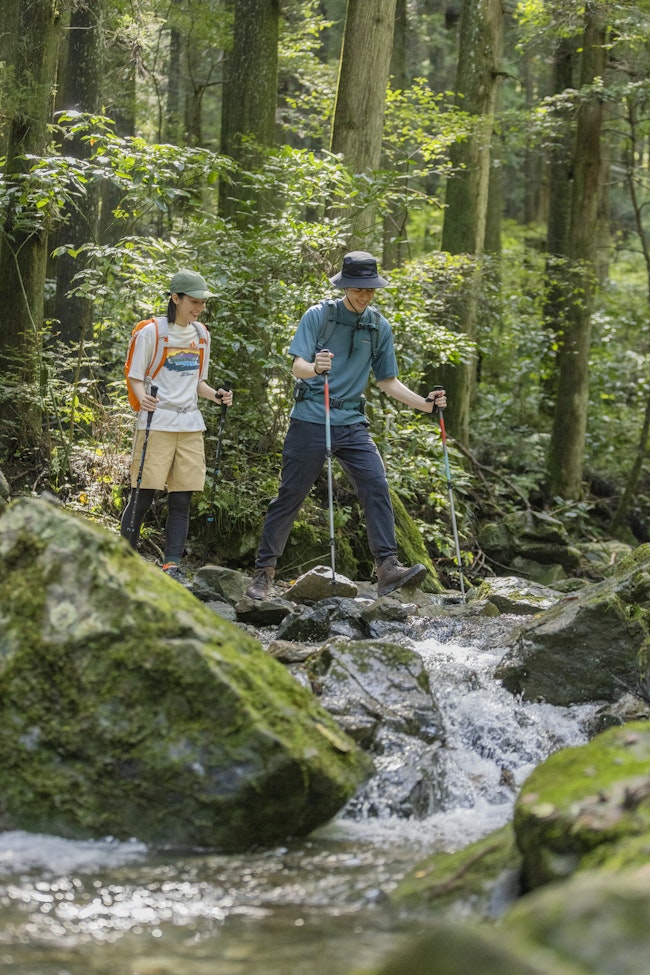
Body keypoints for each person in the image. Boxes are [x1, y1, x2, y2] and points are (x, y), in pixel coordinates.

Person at [245, 250, 446, 601]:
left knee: (376, 485)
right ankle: (264, 573)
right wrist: (315, 368)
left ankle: (387, 568)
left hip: (352, 422)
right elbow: (297, 366)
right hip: (311, 417)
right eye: (357, 289)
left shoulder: (378, 326)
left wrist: (425, 405)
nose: (364, 296)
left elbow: (387, 381)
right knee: (290, 494)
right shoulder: (319, 316)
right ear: (344, 286)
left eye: (369, 290)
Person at [121, 268, 233, 585]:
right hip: (157, 422)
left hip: (190, 424)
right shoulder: (151, 333)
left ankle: (172, 564)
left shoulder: (201, 335)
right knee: (143, 494)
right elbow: (135, 376)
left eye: (203, 303)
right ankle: (123, 558)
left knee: (181, 499)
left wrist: (216, 395)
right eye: (194, 302)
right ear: (176, 298)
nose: (199, 308)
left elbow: (198, 382)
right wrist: (143, 397)